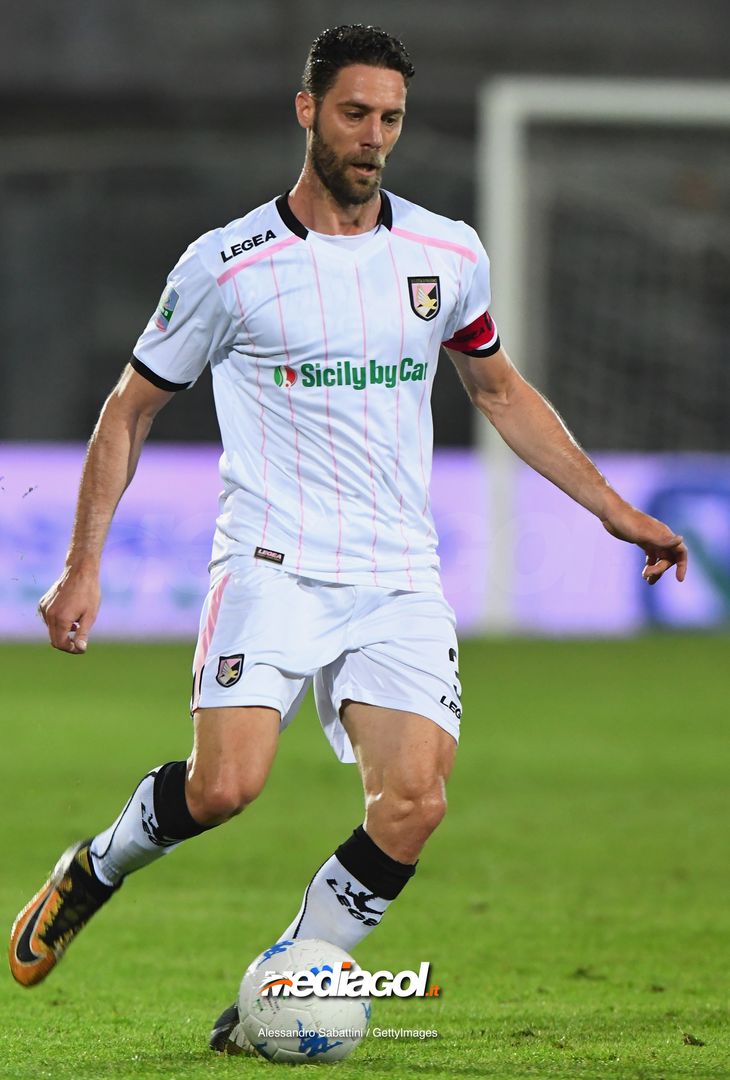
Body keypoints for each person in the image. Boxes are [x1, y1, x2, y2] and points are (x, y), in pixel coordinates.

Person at [9, 23, 687, 1053]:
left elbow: (497, 389)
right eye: (355, 113)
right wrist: (82, 565)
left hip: (398, 572)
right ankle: (94, 869)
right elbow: (129, 410)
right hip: (271, 562)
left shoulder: (446, 253)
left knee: (413, 804)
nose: (373, 137)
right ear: (308, 111)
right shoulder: (228, 265)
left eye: (391, 119)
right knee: (224, 787)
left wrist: (612, 508)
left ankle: (281, 989)